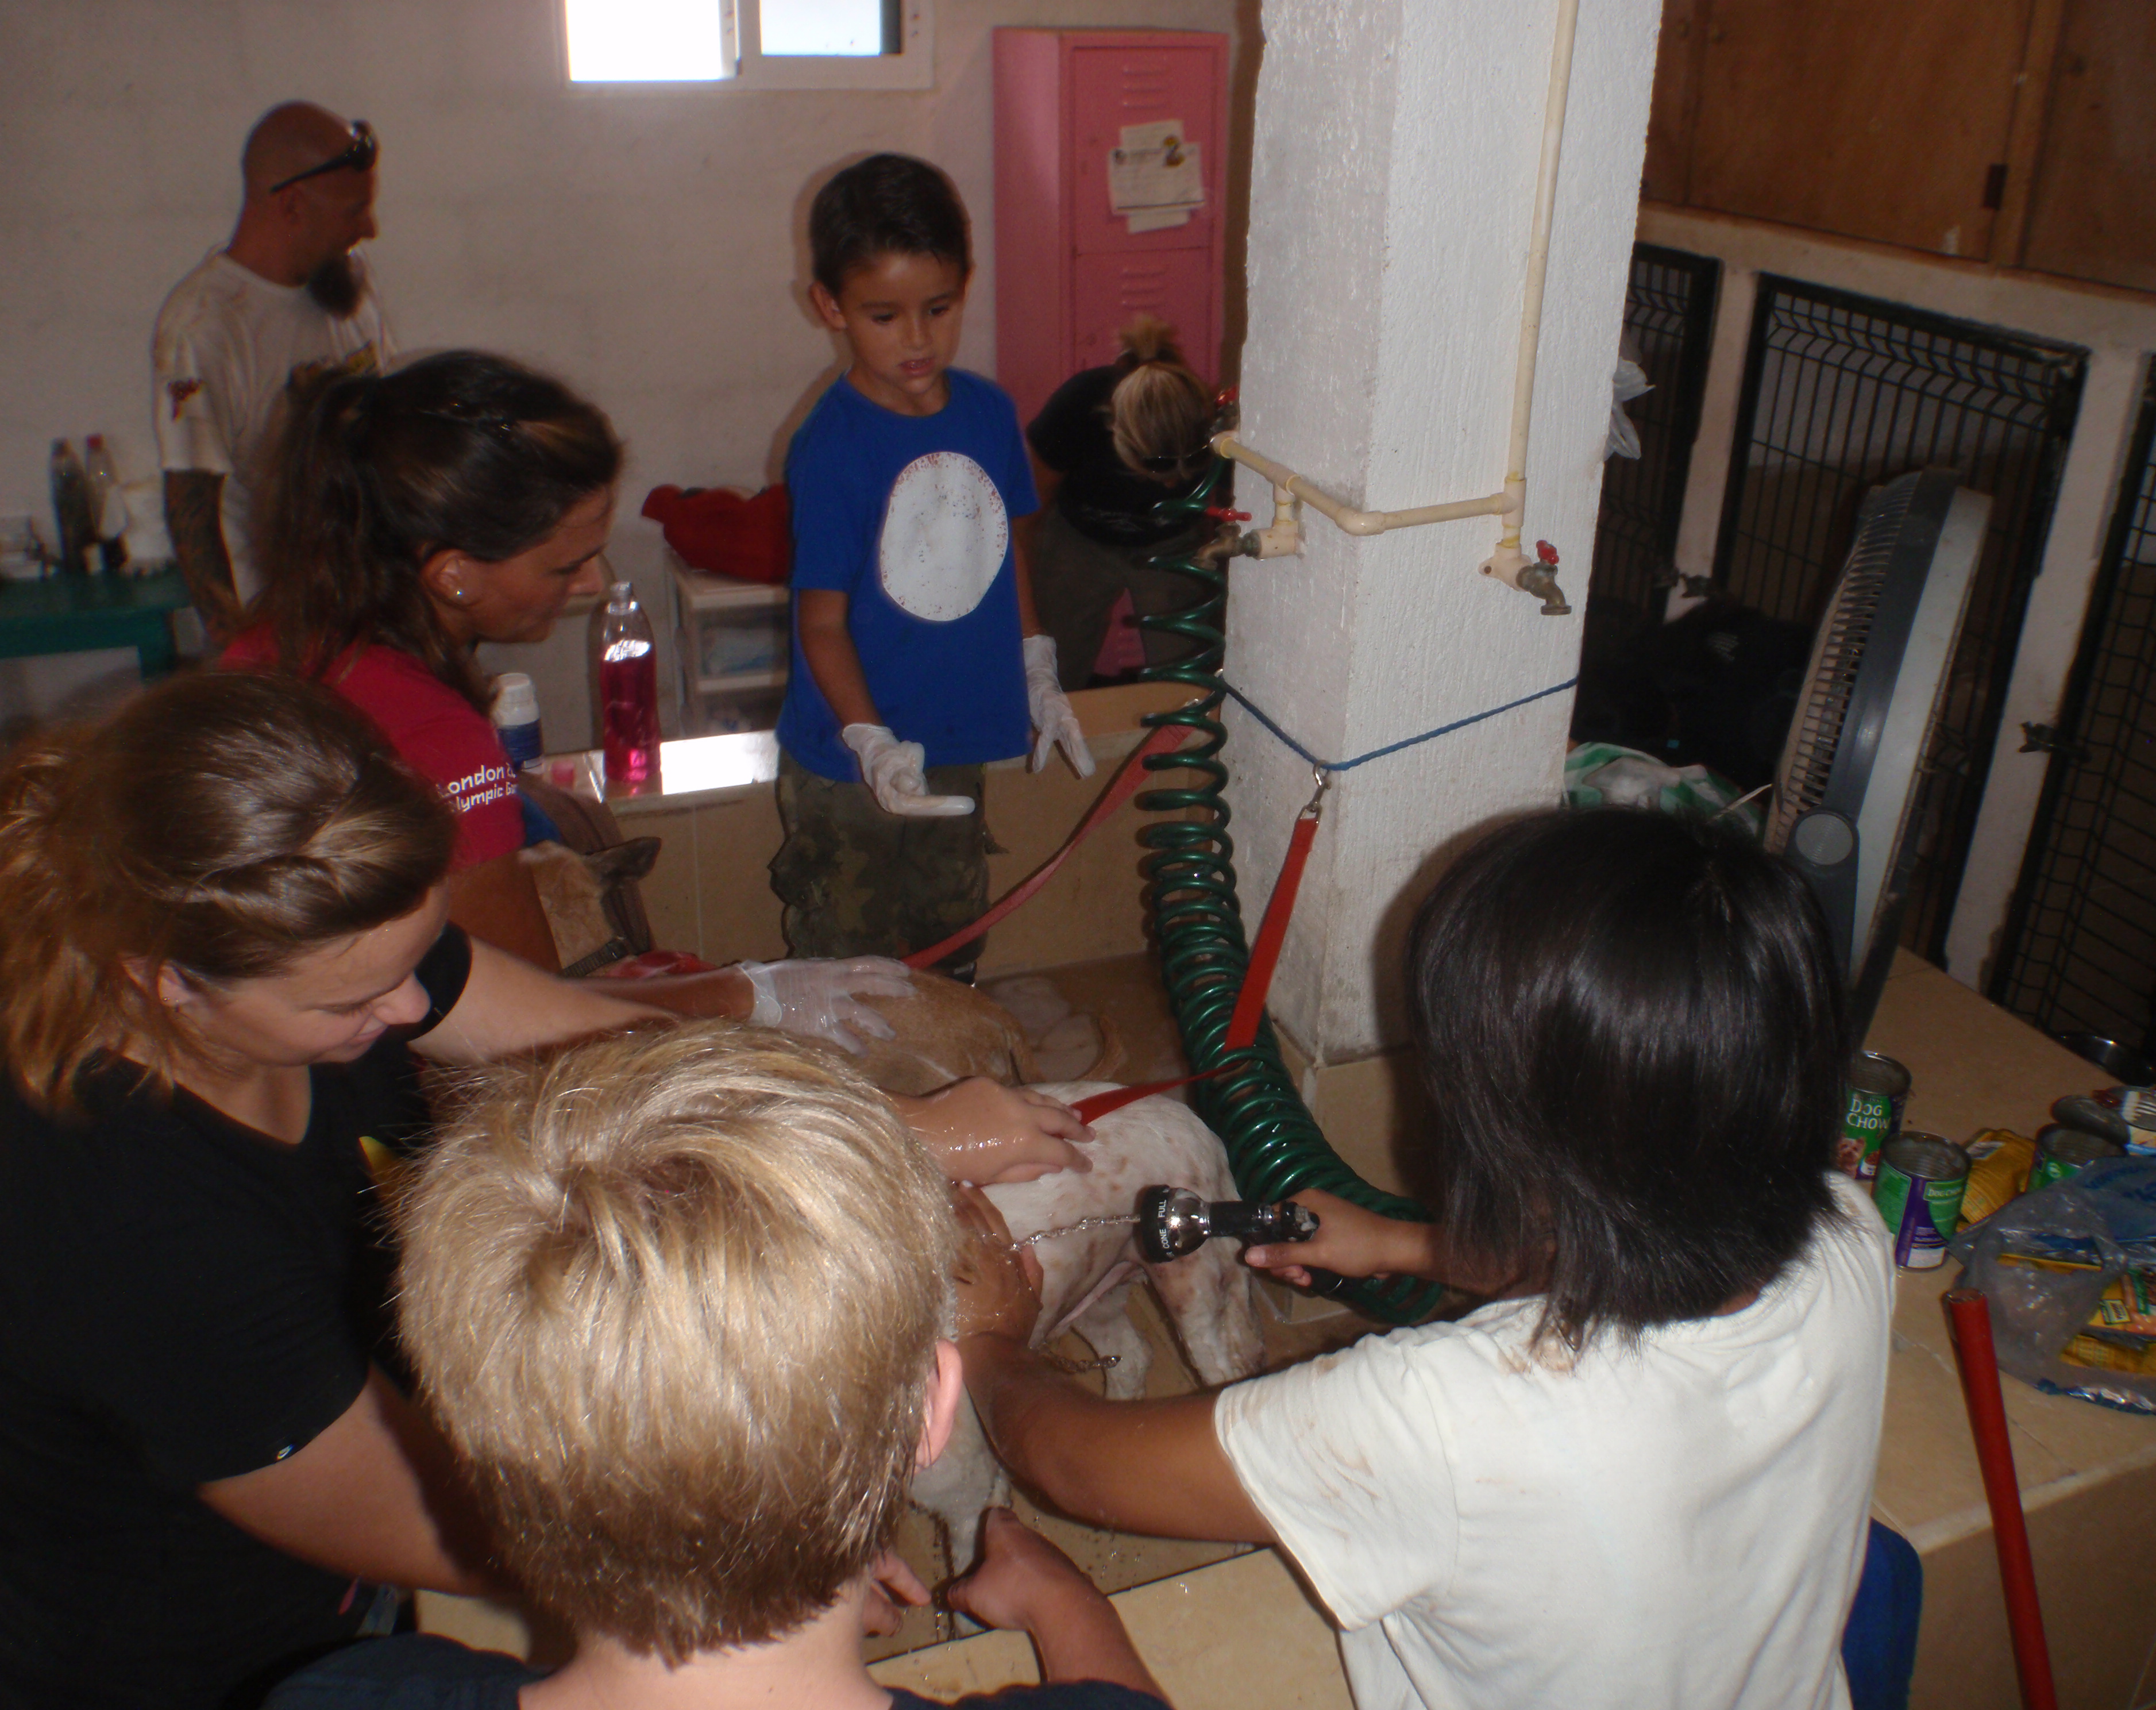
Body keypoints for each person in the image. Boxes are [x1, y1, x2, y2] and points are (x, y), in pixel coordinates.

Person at [0, 673, 1089, 1710]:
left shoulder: (336, 945)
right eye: (352, 1002)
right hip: (195, 1645)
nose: (410, 1007)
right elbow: (439, 1515)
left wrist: (900, 1128)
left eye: (417, 956)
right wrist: (771, 1550)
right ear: (164, 979)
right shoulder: (120, 1221)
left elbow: (620, 1052)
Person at [952, 808, 1897, 1710]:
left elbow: (1075, 1465)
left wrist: (991, 1340)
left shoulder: (1442, 1418)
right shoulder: (1849, 1234)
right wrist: (1403, 1243)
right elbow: (1632, 1251)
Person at [262, 1023, 1171, 1710]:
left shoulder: (337, 1692)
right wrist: (1066, 1604)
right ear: (933, 1408)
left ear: (471, 1454)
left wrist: (755, 1570)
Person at [224, 348, 901, 1039]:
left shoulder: (268, 644)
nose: (592, 583)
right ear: (453, 574)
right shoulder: (438, 738)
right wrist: (750, 995)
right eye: (565, 566)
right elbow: (527, 1029)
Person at [772, 153, 1093, 979]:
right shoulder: (833, 449)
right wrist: (872, 743)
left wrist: (1036, 665)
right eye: (884, 316)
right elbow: (821, 623)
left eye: (938, 308)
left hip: (954, 736)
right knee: (849, 967)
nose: (917, 339)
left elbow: (1005, 547)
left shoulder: (989, 414)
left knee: (949, 939)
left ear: (965, 286)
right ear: (830, 307)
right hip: (852, 761)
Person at [154, 102, 389, 637]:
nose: (370, 228)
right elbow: (191, 508)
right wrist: (235, 646)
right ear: (292, 205)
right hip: (282, 623)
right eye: (354, 210)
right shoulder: (205, 326)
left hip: (368, 605)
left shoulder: (349, 286)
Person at [1023, 315, 1220, 690]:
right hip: (1079, 541)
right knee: (1053, 671)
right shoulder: (1078, 406)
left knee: (1186, 680)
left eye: (1190, 464)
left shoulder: (1208, 420)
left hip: (1172, 544)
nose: (1174, 482)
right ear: (1117, 433)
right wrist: (1027, 611)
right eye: (1158, 467)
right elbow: (1028, 510)